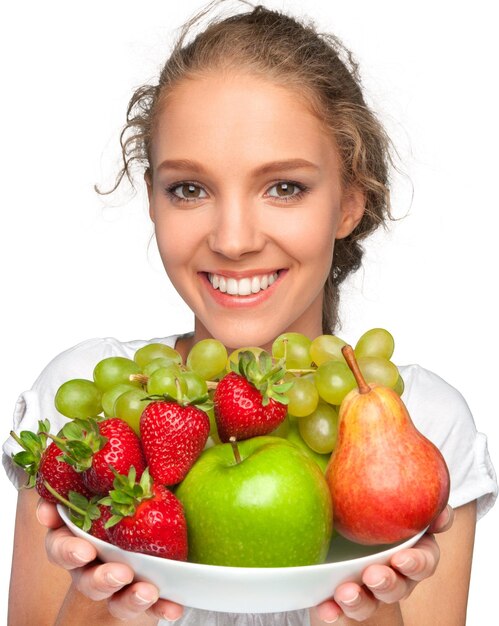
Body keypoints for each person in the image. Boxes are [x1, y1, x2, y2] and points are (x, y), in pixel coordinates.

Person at [3, 1, 497, 625]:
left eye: (284, 187)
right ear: (152, 201)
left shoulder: (423, 426)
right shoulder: (97, 418)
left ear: (349, 203)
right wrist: (99, 599)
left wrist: (369, 611)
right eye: (189, 188)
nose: (233, 239)